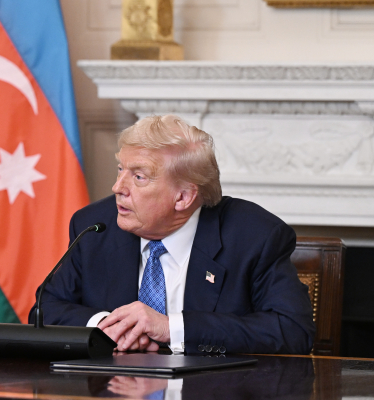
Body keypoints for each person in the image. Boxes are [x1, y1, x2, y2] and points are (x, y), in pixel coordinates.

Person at [34, 114, 315, 354]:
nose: (117, 187)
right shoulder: (94, 226)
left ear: (183, 197)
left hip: (211, 391)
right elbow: (45, 309)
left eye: (139, 176)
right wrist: (109, 326)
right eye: (121, 170)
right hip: (114, 388)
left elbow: (293, 330)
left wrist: (172, 328)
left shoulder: (254, 236)